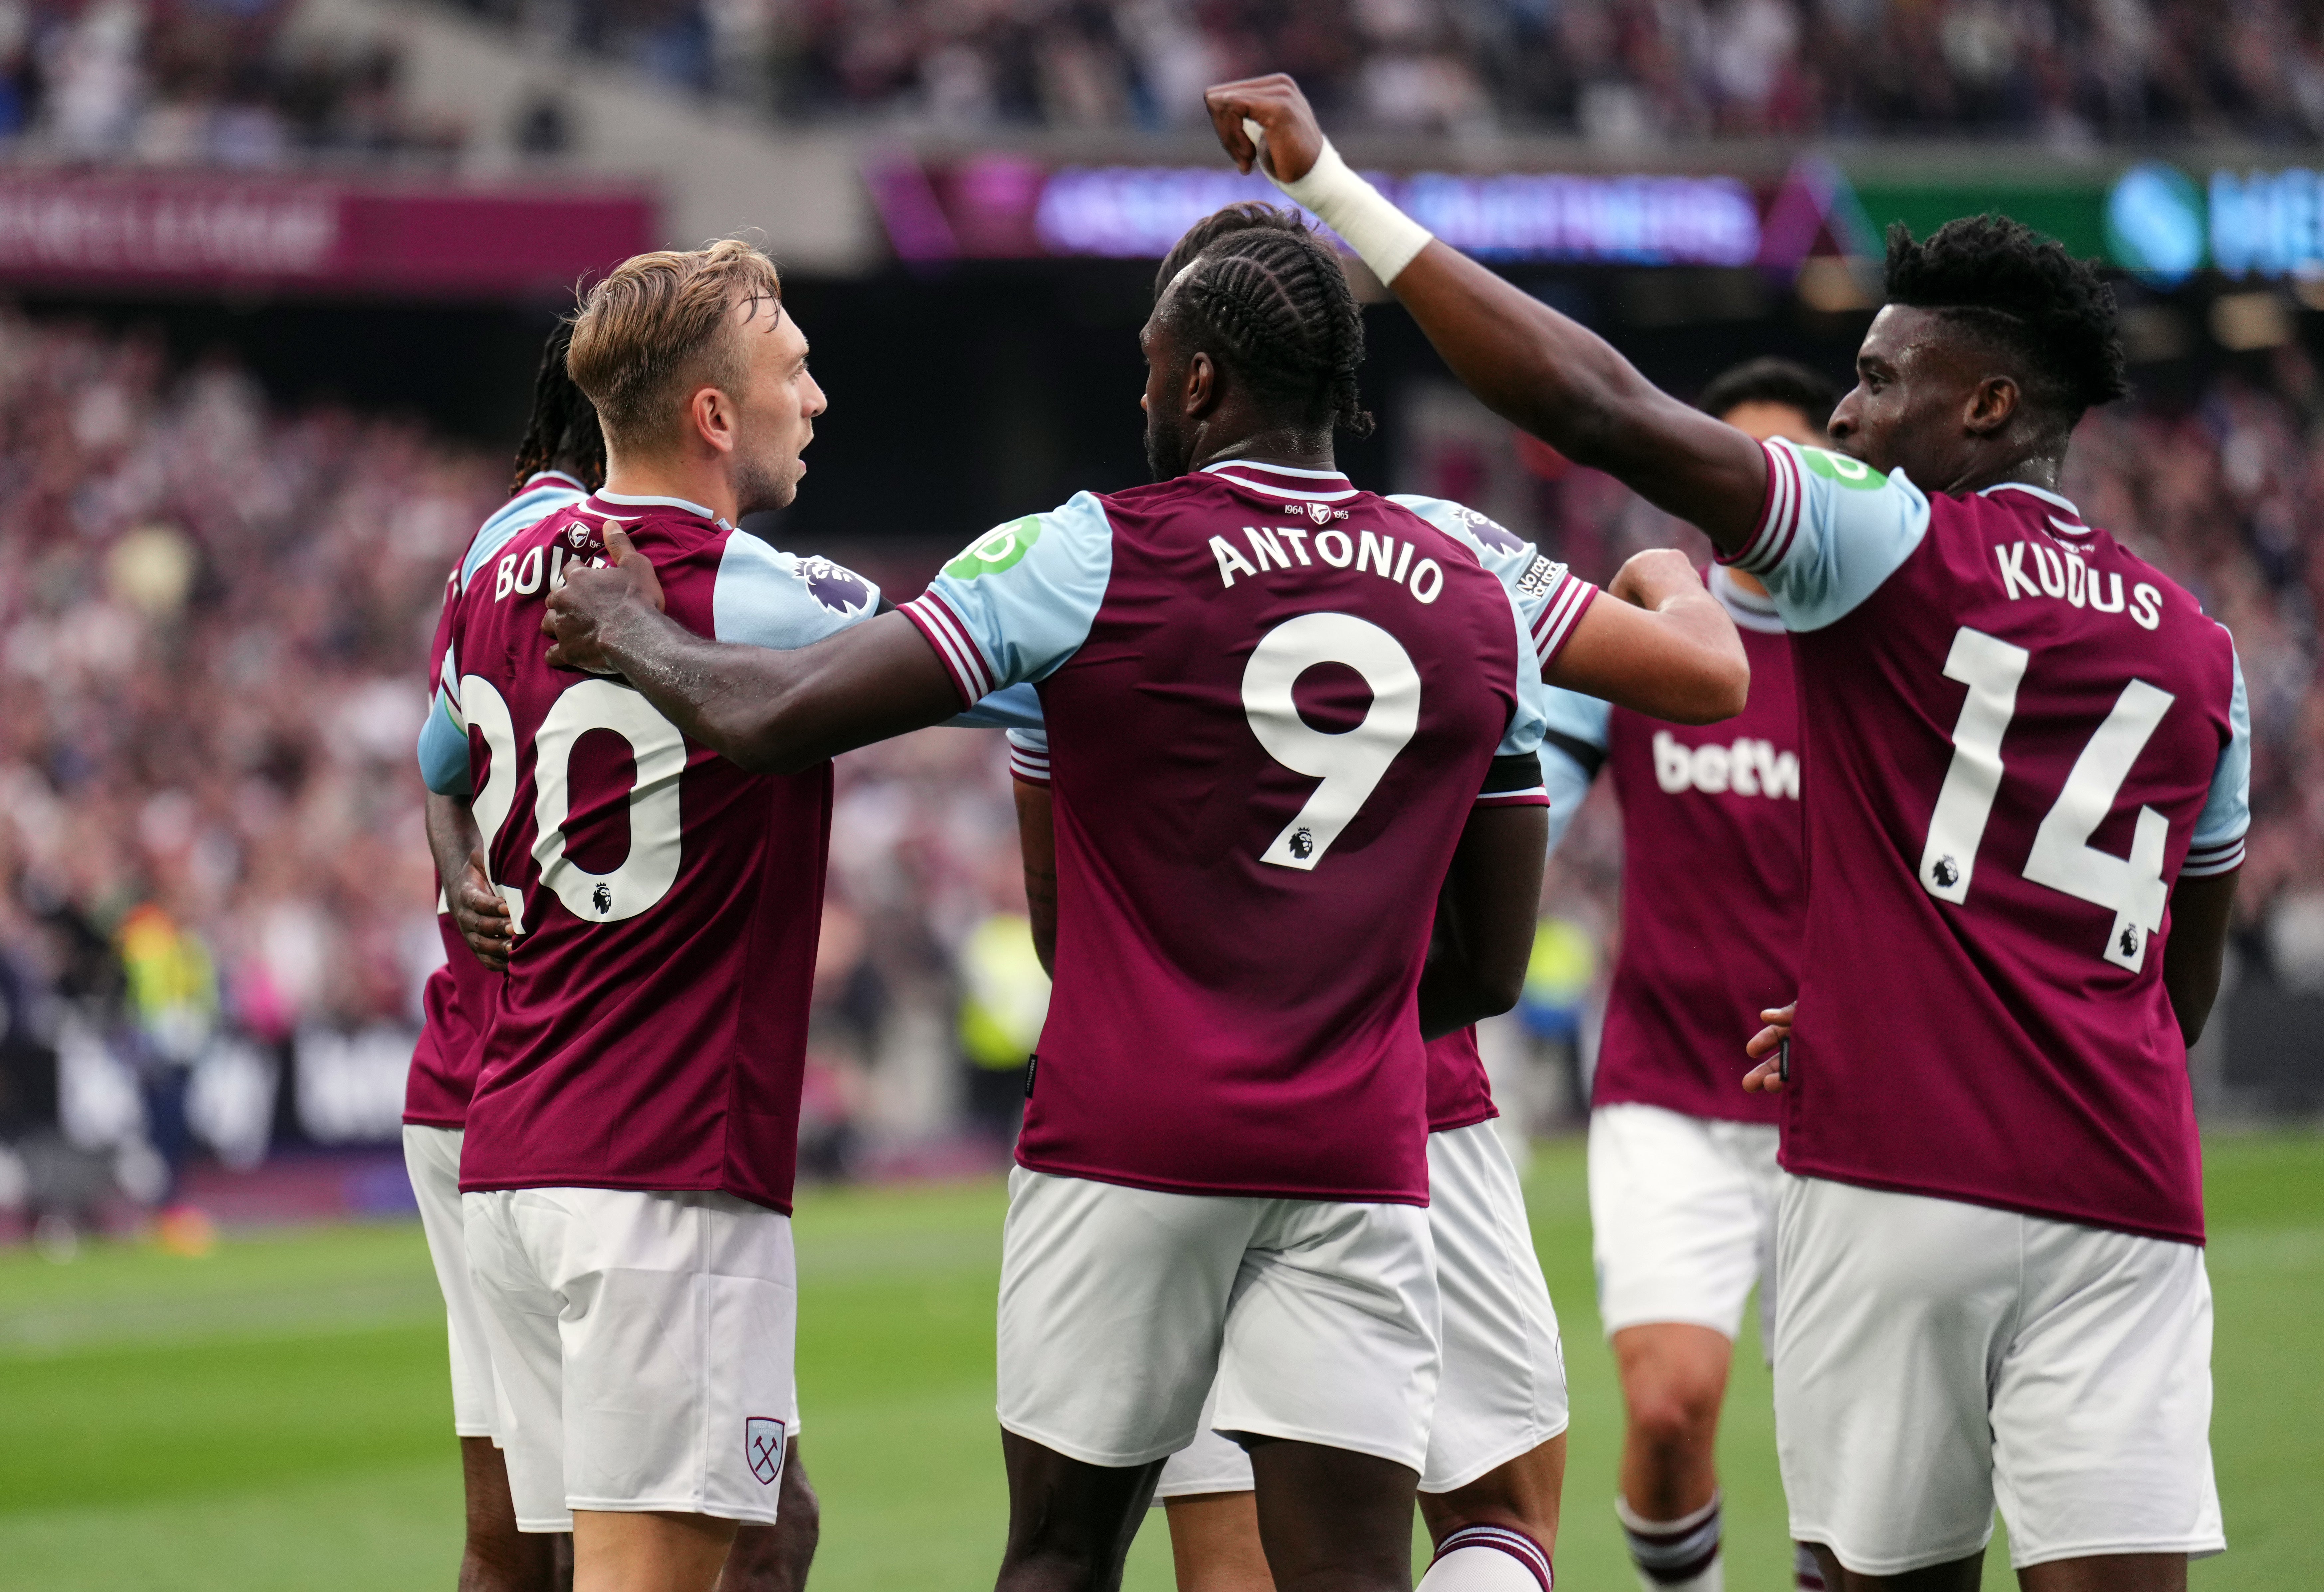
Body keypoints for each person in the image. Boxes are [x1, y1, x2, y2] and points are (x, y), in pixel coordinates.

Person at [542, 202, 1745, 1592]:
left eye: (1150, 362)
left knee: (1060, 1554)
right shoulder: (1469, 582)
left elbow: (794, 717)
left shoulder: (1081, 554)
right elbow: (1488, 963)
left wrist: (632, 629)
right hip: (1361, 1139)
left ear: (1197, 381)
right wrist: (1327, 1006)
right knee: (1374, 1563)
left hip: (1129, 1129)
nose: (1139, 389)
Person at [1201, 76, 2248, 1592]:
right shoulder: (2204, 646)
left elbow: (1596, 407)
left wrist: (1341, 190)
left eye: (1883, 380)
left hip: (1898, 1176)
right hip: (2129, 1200)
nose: (1847, 411)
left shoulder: (1890, 539)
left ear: (1990, 407)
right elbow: (2181, 992)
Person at [991, 203, 1744, 1592]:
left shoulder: (1080, 568)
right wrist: (1668, 573)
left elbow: (1054, 921)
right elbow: (1704, 677)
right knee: (1504, 1513)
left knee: (1211, 1552)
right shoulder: (1455, 550)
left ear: (1195, 362)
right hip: (1404, 1101)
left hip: (1153, 1106)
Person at [421, 243, 874, 1592]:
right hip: (658, 1167)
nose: (821, 398)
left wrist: (458, 852)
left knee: (601, 1555)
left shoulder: (494, 567)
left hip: (515, 1159)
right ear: (715, 415)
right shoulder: (739, 588)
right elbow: (972, 666)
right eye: (795, 371)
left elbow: (443, 756)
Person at [1532, 358, 1832, 1592]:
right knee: (1664, 1413)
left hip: (1846, 1102)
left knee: (1860, 1467)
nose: (1756, 496)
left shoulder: (1881, 656)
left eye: (1784, 470)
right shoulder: (1661, 648)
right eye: (1735, 468)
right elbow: (1533, 800)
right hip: (1667, 1086)